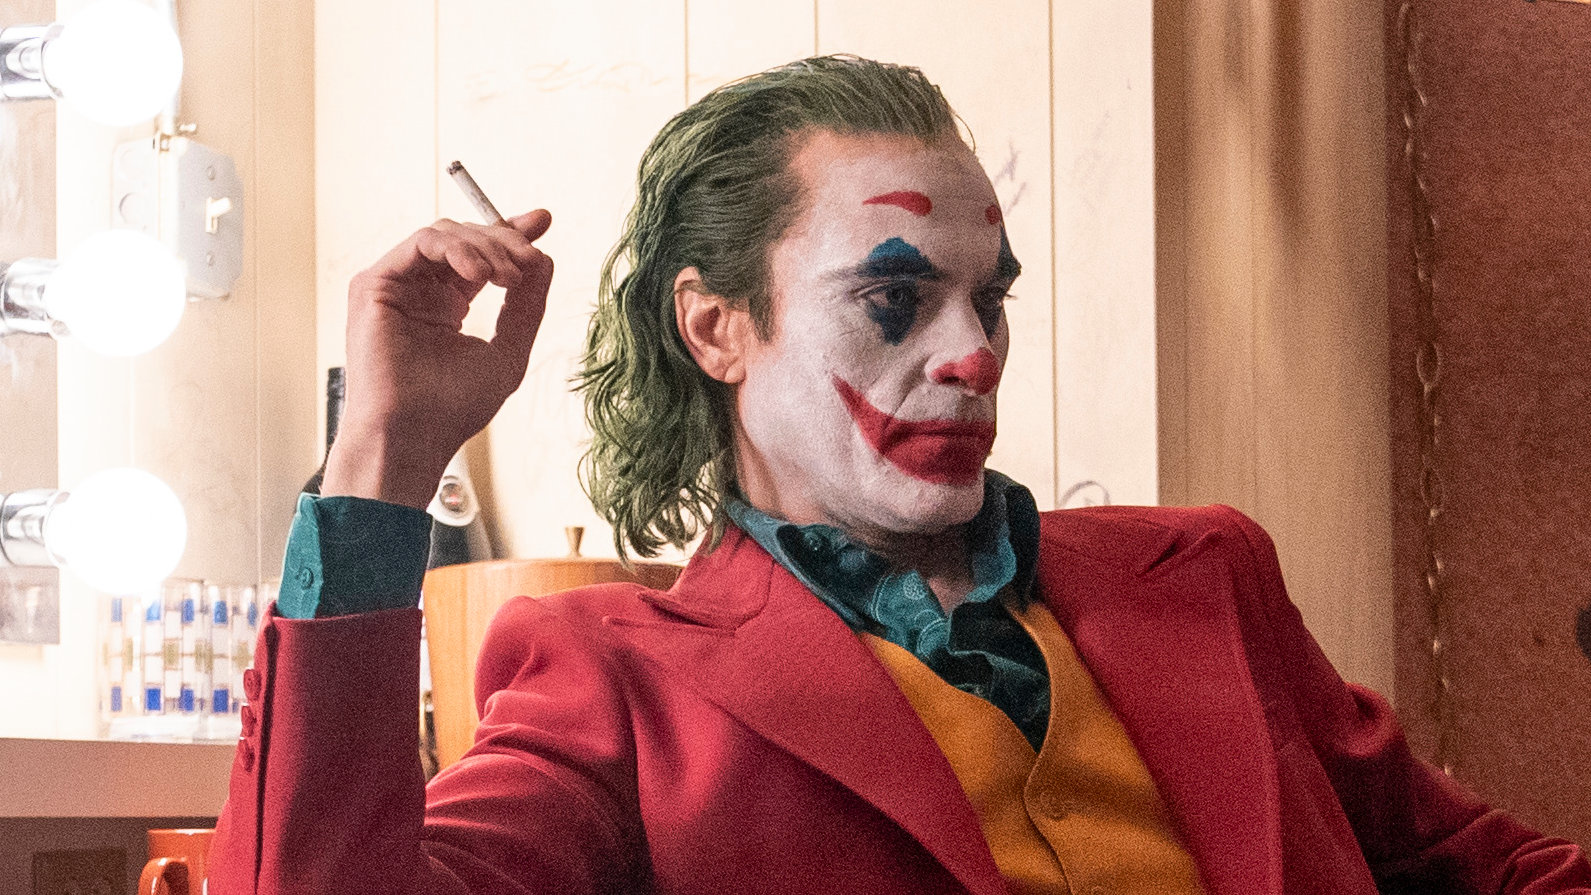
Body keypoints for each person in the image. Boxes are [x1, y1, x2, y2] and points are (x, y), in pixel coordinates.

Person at [209, 56, 1591, 895]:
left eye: (990, 299)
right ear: (717, 328)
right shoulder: (613, 684)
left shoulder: (1206, 577)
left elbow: (1498, 874)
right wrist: (383, 465)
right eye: (892, 302)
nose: (973, 354)